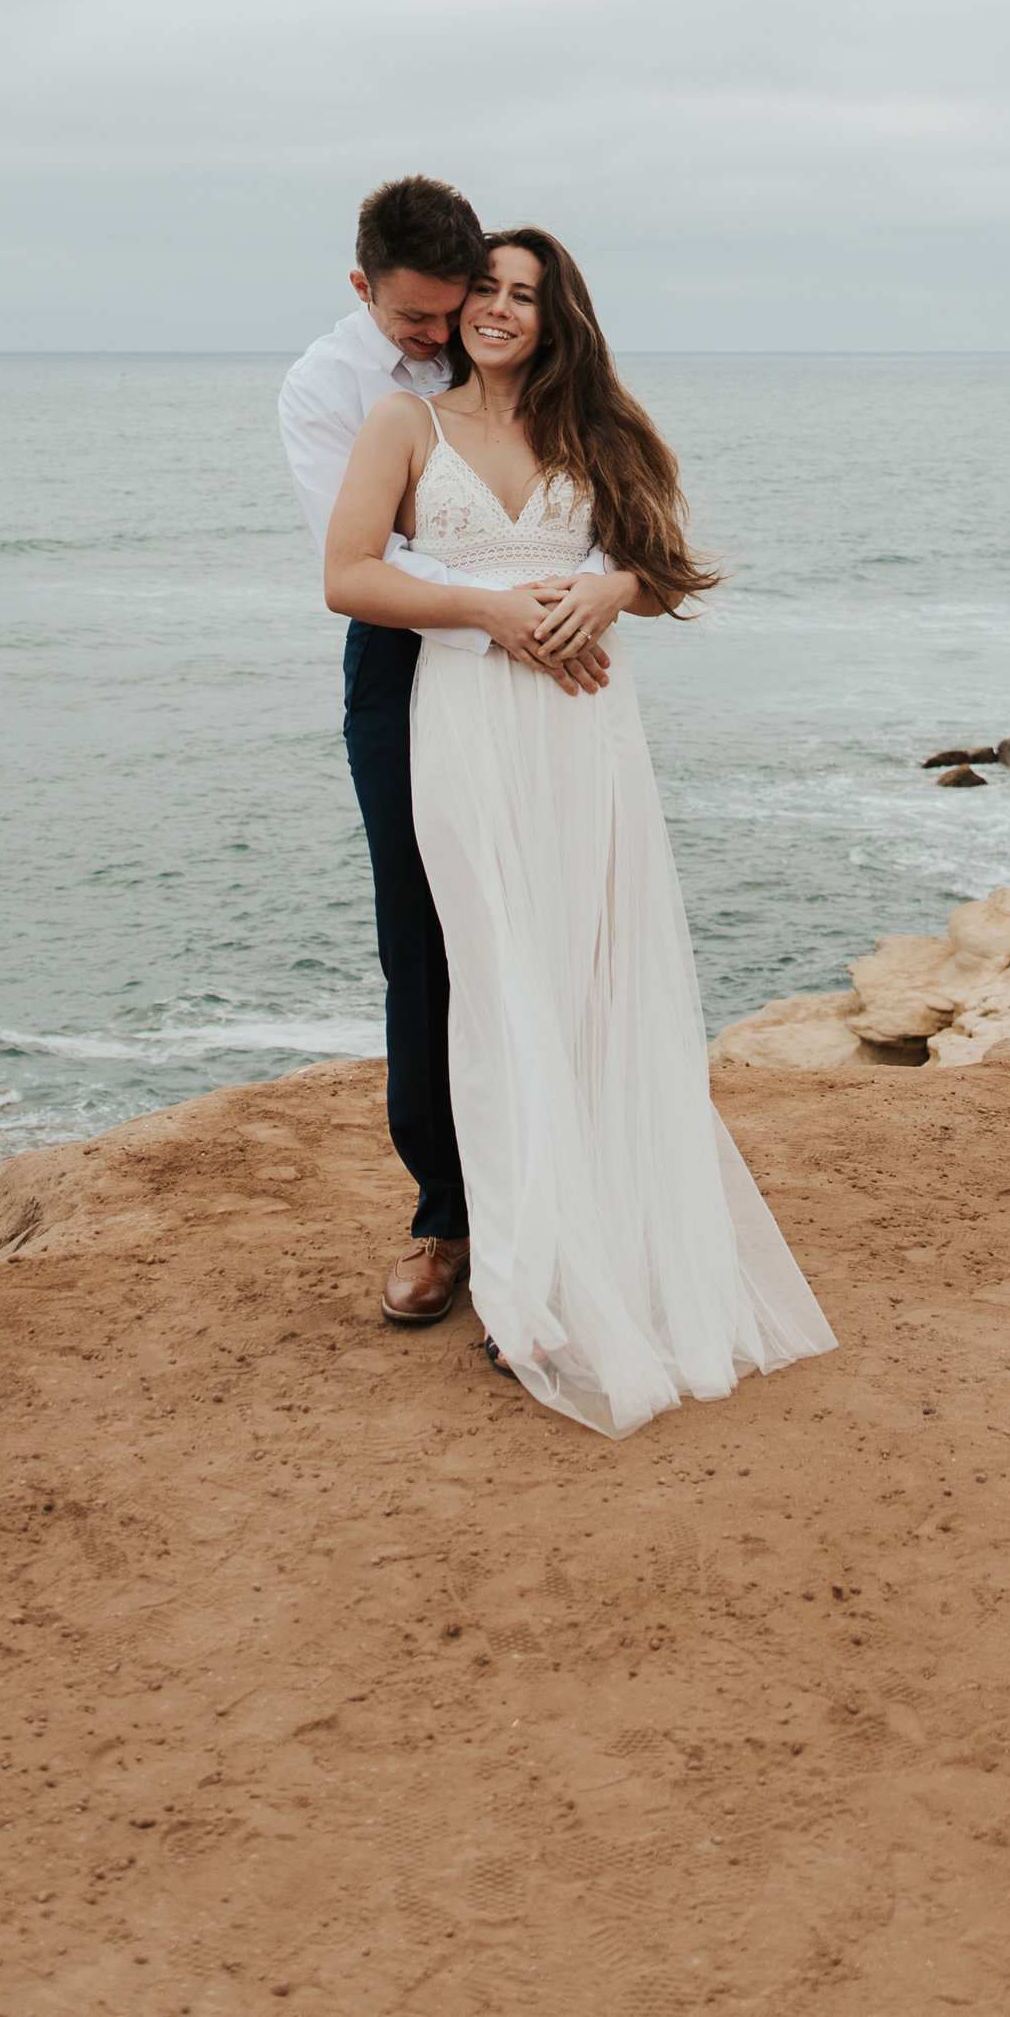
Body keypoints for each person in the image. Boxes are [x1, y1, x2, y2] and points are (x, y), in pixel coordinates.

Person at [323, 226, 836, 1438]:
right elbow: (347, 576)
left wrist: (610, 587)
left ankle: (593, 1243)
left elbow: (665, 569)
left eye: (523, 295)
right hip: (466, 725)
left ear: (560, 316)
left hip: (585, 738)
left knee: (590, 983)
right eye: (485, 291)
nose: (498, 310)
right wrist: (488, 610)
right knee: (495, 992)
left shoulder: (599, 429)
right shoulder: (407, 422)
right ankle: (514, 1283)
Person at [278, 178, 611, 1333]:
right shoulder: (330, 391)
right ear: (363, 287)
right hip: (404, 663)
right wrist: (511, 607)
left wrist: (596, 592)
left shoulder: (533, 374)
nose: (436, 338)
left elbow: (628, 530)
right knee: (424, 942)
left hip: (543, 662)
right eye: (414, 321)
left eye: (458, 305)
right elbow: (370, 562)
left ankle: (576, 1184)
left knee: (564, 926)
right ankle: (447, 1218)